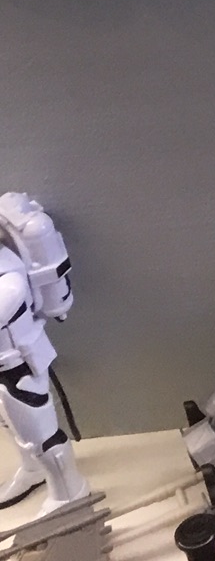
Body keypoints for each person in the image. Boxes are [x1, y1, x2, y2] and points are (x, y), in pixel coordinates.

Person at [0, 194, 88, 518]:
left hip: (19, 364)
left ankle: (70, 492)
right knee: (10, 423)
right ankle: (33, 470)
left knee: (39, 433)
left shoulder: (9, 277)